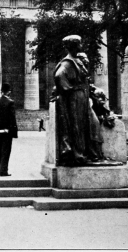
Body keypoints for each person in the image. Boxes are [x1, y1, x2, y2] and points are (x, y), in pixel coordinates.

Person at [54, 35, 102, 166]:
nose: (81, 46)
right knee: (77, 126)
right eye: (79, 44)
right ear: (74, 45)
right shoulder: (67, 62)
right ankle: (78, 154)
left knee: (89, 124)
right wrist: (70, 90)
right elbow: (59, 76)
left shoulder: (77, 60)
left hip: (83, 97)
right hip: (75, 98)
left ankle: (89, 153)